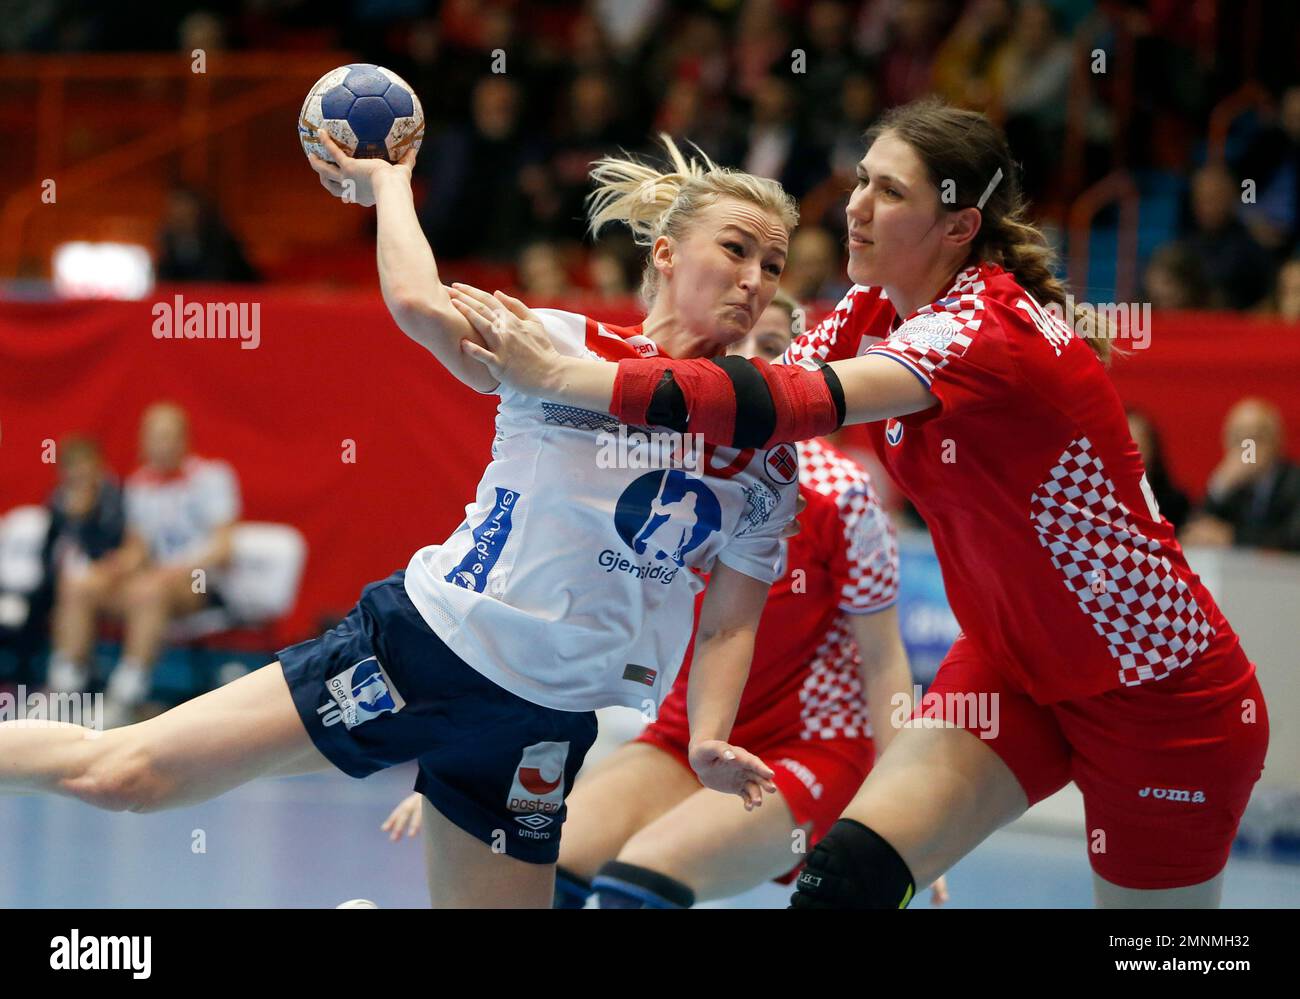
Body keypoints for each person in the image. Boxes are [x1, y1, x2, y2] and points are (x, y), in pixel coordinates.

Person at [454, 98, 1271, 909]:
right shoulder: (879, 304)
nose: (856, 205)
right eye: (860, 180)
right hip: (1012, 670)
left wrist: (567, 376)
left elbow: (787, 403)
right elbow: (752, 410)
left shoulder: (986, 330)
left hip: (1156, 688)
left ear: (957, 226)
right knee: (843, 884)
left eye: (890, 191)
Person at [0, 131, 799, 911]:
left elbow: (733, 618)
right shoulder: (560, 346)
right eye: (735, 250)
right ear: (664, 253)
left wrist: (707, 735)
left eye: (772, 265)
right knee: (123, 776)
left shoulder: (763, 458)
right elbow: (418, 303)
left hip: (542, 725)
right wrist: (387, 183)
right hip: (425, 650)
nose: (754, 279)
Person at [382, 294, 947, 908]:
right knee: (553, 870)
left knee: (638, 882)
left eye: (778, 350)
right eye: (740, 349)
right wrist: (472, 764)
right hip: (688, 735)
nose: (755, 365)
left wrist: (897, 822)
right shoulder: (657, 450)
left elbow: (884, 659)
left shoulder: (841, 492)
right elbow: (561, 611)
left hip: (811, 747)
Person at [44, 403, 240, 725]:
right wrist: (112, 568)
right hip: (150, 582)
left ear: (183, 439)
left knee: (149, 589)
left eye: (164, 436)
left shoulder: (212, 477)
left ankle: (125, 695)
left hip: (198, 581)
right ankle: (64, 686)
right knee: (81, 585)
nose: (156, 444)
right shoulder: (137, 484)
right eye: (150, 436)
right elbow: (139, 548)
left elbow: (223, 546)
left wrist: (173, 569)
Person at [1181, 398, 1300, 552]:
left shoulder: (1294, 482)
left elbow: (1293, 538)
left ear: (1276, 440)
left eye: (1256, 437)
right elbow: (1195, 532)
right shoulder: (1229, 486)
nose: (1247, 448)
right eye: (1239, 438)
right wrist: (1218, 488)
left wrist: (1234, 538)